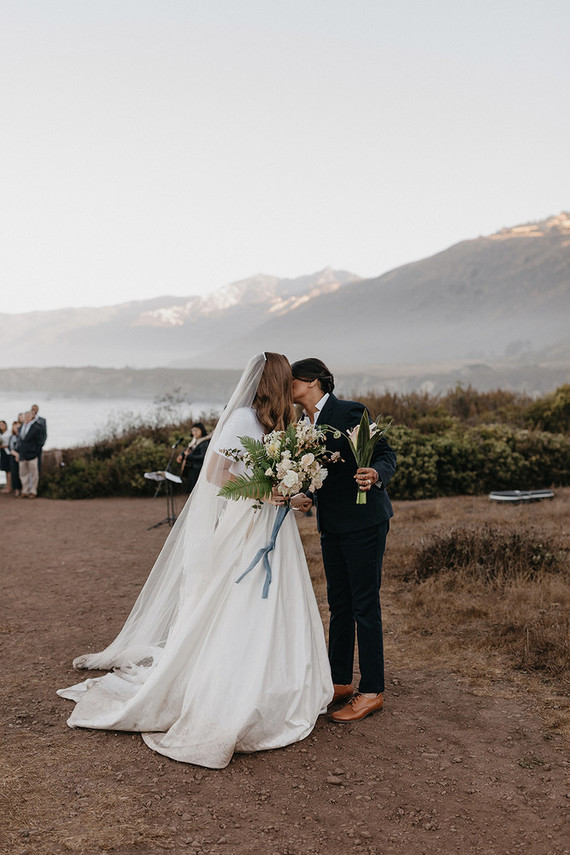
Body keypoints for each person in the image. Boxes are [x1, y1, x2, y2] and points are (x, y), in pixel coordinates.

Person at [58, 353, 333, 768]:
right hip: (246, 523)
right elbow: (215, 474)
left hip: (275, 524)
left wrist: (291, 492)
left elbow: (274, 475)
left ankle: (283, 681)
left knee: (279, 600)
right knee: (238, 601)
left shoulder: (275, 425)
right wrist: (263, 492)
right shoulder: (242, 420)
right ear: (275, 381)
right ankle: (233, 683)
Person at [291, 357, 396, 723]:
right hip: (331, 525)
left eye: (293, 378)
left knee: (364, 604)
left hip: (365, 522)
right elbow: (321, 475)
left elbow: (385, 455)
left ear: (313, 381)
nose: (288, 383)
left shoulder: (351, 411)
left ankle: (372, 691)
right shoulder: (300, 424)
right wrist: (305, 494)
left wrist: (375, 474)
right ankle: (339, 681)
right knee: (338, 605)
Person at [14, 411, 44, 498]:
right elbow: (20, 442)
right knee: (23, 474)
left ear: (31, 417)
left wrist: (35, 453)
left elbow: (40, 442)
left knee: (34, 474)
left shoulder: (36, 428)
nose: (26, 418)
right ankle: (25, 491)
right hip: (22, 455)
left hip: (32, 455)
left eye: (28, 417)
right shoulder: (20, 428)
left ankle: (33, 491)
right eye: (25, 417)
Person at [176, 422, 211, 494]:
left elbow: (204, 456)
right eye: (193, 430)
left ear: (202, 430)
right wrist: (181, 455)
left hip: (198, 470)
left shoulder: (205, 442)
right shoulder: (194, 440)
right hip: (192, 469)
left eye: (197, 430)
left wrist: (190, 456)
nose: (194, 432)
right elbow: (188, 449)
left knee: (197, 492)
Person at [0, 420, 11, 492]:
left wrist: (2, 446)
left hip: (8, 453)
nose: (1, 426)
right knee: (6, 470)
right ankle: (7, 486)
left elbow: (11, 445)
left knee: (9, 470)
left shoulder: (9, 433)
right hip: (3, 453)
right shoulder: (1, 434)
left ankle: (9, 487)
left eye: (2, 425)